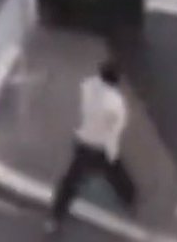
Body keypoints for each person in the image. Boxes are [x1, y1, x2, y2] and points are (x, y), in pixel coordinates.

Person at [46, 60, 137, 233]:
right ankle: (129, 199)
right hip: (101, 147)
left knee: (70, 182)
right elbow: (115, 130)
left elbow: (86, 87)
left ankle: (55, 218)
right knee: (117, 174)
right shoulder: (116, 103)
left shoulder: (88, 86)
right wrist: (112, 152)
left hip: (83, 142)